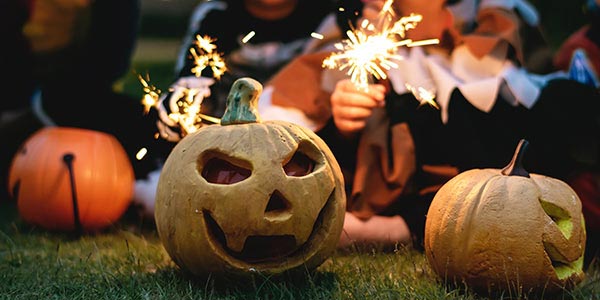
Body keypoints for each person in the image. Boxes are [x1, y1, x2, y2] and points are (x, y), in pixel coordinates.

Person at [260, 0, 600, 252]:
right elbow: (306, 102)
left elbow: (512, 81)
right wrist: (343, 123)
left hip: (479, 161)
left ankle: (399, 228)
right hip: (380, 169)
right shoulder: (352, 22)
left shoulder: (496, 17)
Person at [133, 0, 363, 215]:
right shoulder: (217, 16)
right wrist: (184, 103)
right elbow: (192, 80)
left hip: (305, 143)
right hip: (227, 145)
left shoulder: (333, 15)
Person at [0, 0, 171, 203]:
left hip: (78, 92)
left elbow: (109, 64)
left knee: (66, 102)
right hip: (17, 93)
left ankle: (153, 173)